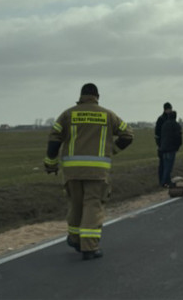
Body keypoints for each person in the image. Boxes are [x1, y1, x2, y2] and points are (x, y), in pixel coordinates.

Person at [44, 83, 133, 260]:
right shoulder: (107, 115)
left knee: (75, 205)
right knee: (93, 206)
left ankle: (75, 239)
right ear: (97, 97)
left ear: (81, 96)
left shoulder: (68, 114)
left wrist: (51, 163)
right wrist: (113, 150)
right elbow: (128, 135)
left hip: (72, 171)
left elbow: (54, 139)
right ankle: (90, 247)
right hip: (97, 172)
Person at [158, 103, 182, 188]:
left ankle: (166, 182)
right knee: (169, 167)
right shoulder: (176, 125)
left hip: (163, 148)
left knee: (165, 166)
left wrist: (160, 147)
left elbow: (160, 136)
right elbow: (178, 137)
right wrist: (178, 146)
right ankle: (164, 182)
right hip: (171, 148)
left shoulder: (164, 124)